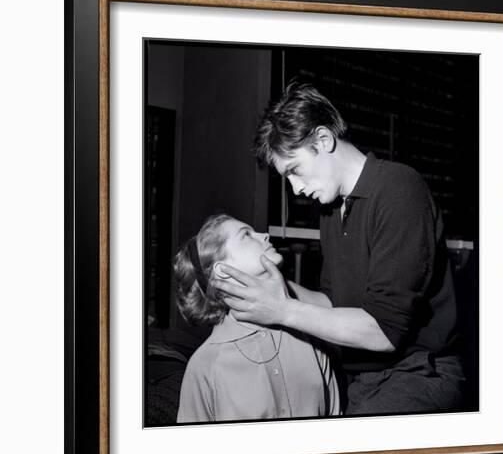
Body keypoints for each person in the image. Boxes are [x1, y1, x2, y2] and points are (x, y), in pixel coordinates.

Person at [213, 81, 465, 415]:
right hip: (364, 380)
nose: (296, 189)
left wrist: (282, 309)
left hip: (418, 375)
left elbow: (383, 331)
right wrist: (269, 289)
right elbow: (334, 303)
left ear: (323, 140)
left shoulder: (398, 189)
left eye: (295, 171)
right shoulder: (332, 211)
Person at [173, 213, 340, 423]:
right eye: (246, 235)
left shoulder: (309, 339)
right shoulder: (205, 366)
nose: (265, 235)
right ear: (222, 270)